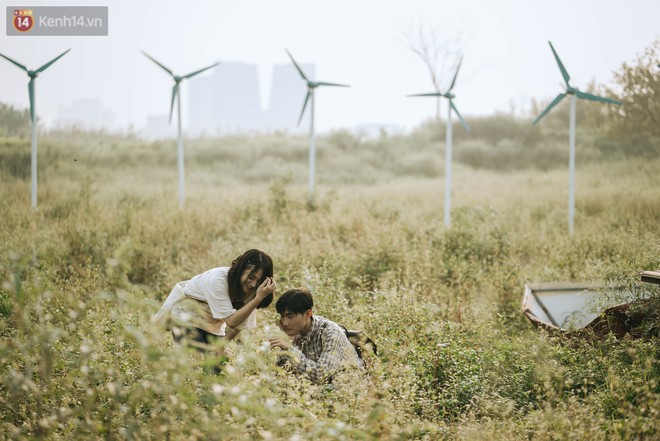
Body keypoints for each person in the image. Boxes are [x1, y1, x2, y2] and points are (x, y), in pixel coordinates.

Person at [153, 249, 276, 349]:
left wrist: (220, 348)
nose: (253, 284)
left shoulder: (257, 290)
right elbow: (232, 321)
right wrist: (258, 298)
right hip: (187, 315)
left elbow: (237, 326)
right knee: (195, 362)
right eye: (251, 277)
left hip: (212, 324)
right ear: (241, 269)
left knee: (215, 369)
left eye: (259, 281)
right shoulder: (218, 279)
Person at [269, 288, 363, 383]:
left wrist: (290, 349)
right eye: (282, 316)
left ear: (308, 314)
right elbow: (281, 372)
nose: (284, 323)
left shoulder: (330, 332)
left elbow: (322, 375)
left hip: (350, 386)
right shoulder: (295, 331)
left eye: (290, 316)